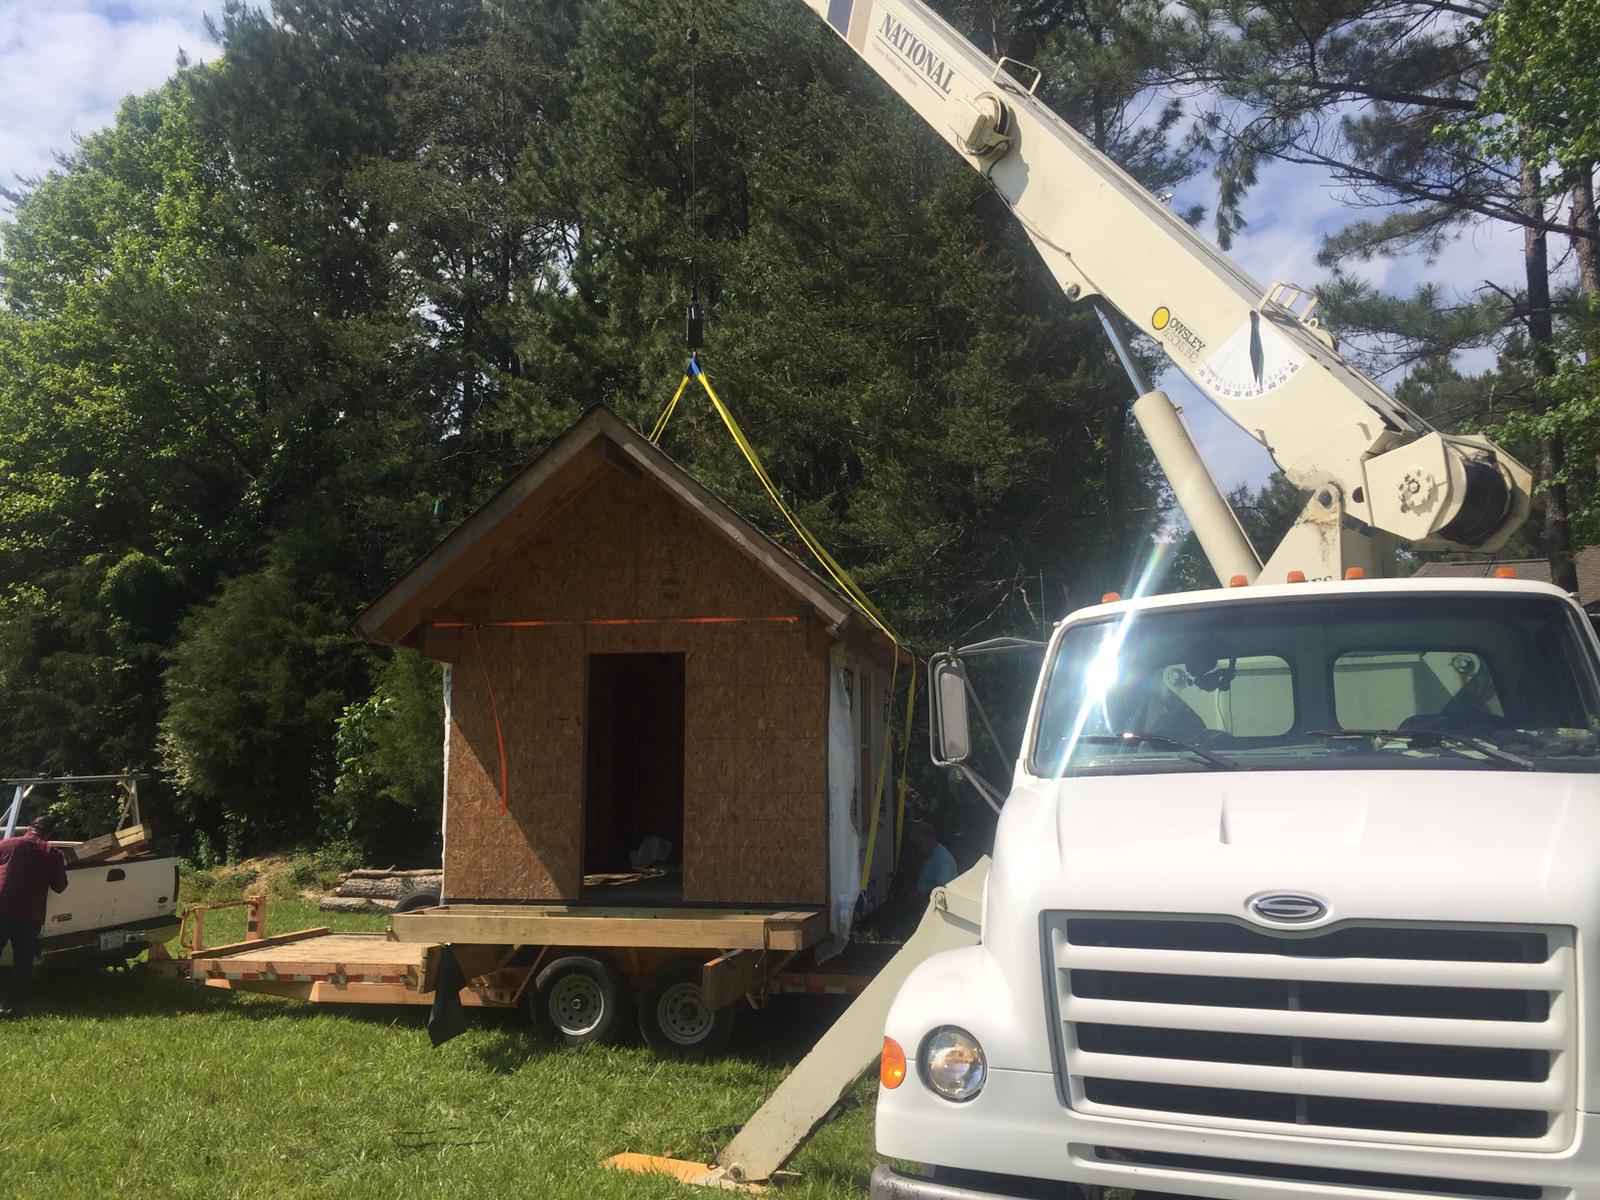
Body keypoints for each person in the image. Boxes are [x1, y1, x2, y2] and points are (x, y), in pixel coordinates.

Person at [0, 813, 69, 1017]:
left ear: (29, 827)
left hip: (2, 909)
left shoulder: (6, 845)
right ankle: (15, 1008)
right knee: (23, 962)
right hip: (30, 915)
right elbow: (59, 887)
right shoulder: (52, 853)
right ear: (50, 833)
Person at [908, 820, 957, 899]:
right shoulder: (931, 856)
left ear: (929, 839)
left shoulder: (942, 859)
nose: (917, 849)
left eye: (919, 844)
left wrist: (919, 895)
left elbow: (941, 892)